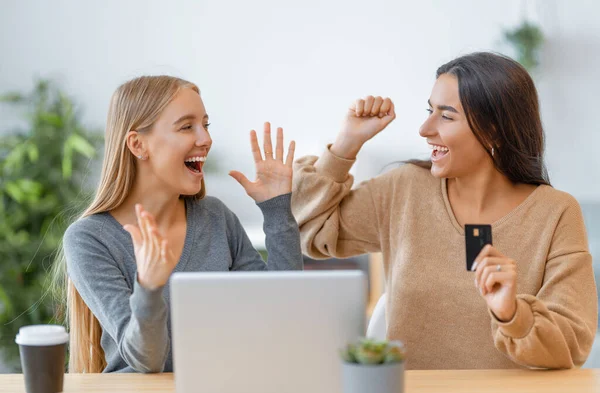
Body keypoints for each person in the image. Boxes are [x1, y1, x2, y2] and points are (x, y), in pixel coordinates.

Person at [291, 52, 597, 369]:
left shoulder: (556, 212)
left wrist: (512, 315)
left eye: (446, 116)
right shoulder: (403, 190)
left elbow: (572, 344)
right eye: (429, 110)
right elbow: (305, 233)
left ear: (494, 130)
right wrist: (344, 146)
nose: (425, 129)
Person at [56, 75, 303, 373]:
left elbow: (282, 312)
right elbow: (146, 360)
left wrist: (277, 209)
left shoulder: (215, 217)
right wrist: (148, 287)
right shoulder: (90, 239)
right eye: (187, 126)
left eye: (205, 125)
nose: (206, 139)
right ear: (137, 144)